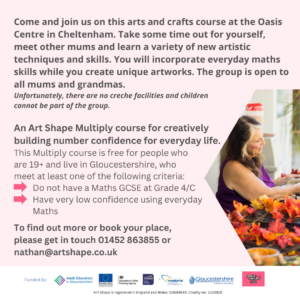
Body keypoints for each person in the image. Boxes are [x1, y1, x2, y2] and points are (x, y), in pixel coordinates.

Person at [216, 115, 300, 212]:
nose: (263, 142)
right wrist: (296, 188)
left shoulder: (251, 157)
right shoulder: (234, 167)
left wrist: (283, 180)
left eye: (262, 137)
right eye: (257, 140)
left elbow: (258, 185)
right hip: (240, 222)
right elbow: (266, 195)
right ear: (242, 145)